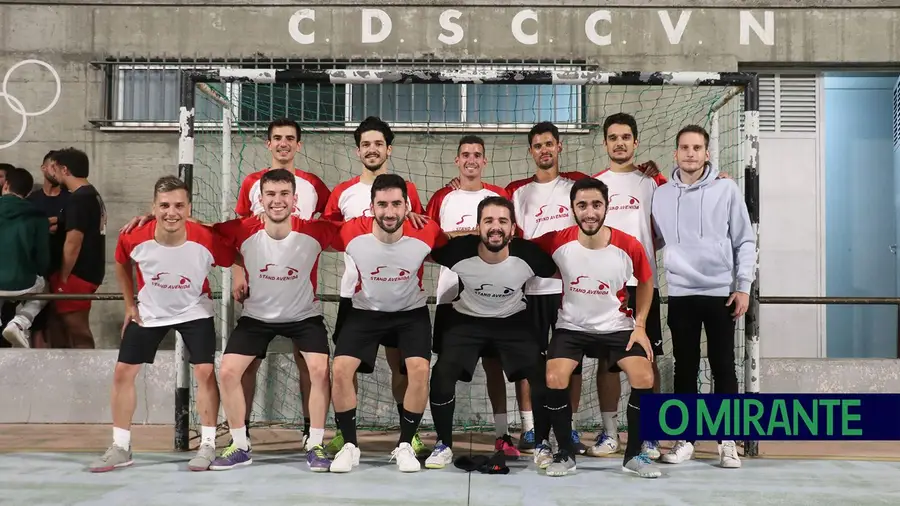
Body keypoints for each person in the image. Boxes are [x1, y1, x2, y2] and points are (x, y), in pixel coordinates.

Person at [89, 176, 232, 473]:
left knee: (205, 371)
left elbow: (235, 254)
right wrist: (130, 304)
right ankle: (120, 446)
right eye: (164, 205)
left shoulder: (206, 239)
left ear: (188, 208)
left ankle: (207, 444)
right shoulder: (134, 236)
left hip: (194, 311)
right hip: (150, 313)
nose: (172, 212)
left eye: (179, 206)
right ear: (153, 207)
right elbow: (120, 261)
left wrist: (241, 274)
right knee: (122, 373)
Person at [206, 169, 337, 472]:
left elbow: (364, 229)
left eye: (283, 194)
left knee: (319, 369)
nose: (277, 201)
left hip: (304, 316)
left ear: (295, 198)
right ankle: (240, 445)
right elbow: (202, 230)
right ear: (260, 199)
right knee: (227, 371)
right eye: (271, 195)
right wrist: (154, 219)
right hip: (257, 317)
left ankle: (315, 443)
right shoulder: (241, 229)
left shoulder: (314, 230)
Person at [531, 177, 660, 479]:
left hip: (616, 327)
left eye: (596, 205)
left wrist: (639, 325)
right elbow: (519, 247)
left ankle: (634, 455)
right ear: (572, 209)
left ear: (606, 207)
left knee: (644, 375)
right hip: (572, 327)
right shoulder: (556, 240)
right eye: (582, 205)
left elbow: (646, 281)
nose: (590, 212)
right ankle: (564, 453)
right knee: (553, 375)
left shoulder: (628, 244)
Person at [321, 116, 430, 458]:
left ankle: (407, 436)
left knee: (404, 367)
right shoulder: (343, 191)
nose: (372, 149)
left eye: (378, 143)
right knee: (345, 367)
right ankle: (345, 434)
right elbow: (325, 232)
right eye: (366, 144)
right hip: (356, 295)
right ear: (358, 151)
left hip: (402, 298)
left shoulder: (406, 189)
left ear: (388, 149)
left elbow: (421, 231)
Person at [424, 196, 557, 469]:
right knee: (441, 374)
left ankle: (542, 442)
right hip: (467, 319)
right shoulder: (458, 251)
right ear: (478, 227)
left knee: (541, 373)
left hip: (512, 319)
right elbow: (423, 247)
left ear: (512, 229)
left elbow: (562, 268)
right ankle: (444, 444)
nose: (495, 227)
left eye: (502, 221)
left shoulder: (529, 256)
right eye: (488, 221)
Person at [651, 125, 756, 469]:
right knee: (685, 367)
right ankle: (686, 439)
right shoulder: (662, 195)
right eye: (685, 147)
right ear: (675, 153)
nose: (691, 153)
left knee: (723, 365)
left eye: (697, 147)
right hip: (681, 294)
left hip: (720, 293)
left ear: (707, 153)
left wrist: (743, 286)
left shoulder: (726, 189)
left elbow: (745, 240)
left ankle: (727, 441)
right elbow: (653, 239)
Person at [327, 173, 446, 474]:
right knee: (340, 369)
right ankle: (350, 446)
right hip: (365, 311)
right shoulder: (351, 232)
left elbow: (453, 249)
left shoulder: (427, 231)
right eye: (382, 205)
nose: (389, 212)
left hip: (410, 313)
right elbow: (310, 236)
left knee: (419, 369)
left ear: (407, 206)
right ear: (371, 207)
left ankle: (405, 444)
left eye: (396, 204)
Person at [231, 118, 330, 448]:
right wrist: (238, 273)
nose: (283, 143)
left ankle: (309, 430)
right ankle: (240, 430)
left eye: (290, 138)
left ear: (298, 145)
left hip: (301, 292)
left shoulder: (314, 184)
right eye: (277, 138)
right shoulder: (251, 183)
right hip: (259, 293)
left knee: (309, 362)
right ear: (268, 143)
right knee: (247, 364)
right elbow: (237, 232)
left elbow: (330, 225)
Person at [425, 135, 522, 456]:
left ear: (485, 161)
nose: (470, 160)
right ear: (457, 160)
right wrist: (470, 235)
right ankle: (443, 441)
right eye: (465, 154)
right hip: (451, 297)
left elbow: (510, 240)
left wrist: (459, 236)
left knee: (495, 367)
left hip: (494, 298)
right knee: (446, 370)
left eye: (477, 155)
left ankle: (502, 435)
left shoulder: (498, 196)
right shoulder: (443, 197)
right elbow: (430, 244)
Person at [505, 121, 590, 455]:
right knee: (530, 363)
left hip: (570, 290)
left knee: (573, 362)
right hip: (530, 291)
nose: (544, 150)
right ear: (531, 151)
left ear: (559, 147)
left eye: (549, 144)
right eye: (537, 145)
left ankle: (568, 430)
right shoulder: (517, 192)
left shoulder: (577, 186)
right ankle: (529, 429)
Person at [589, 113, 666, 459]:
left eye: (625, 137)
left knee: (648, 361)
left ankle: (648, 433)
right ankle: (609, 433)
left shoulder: (652, 182)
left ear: (635, 142)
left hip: (643, 287)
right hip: (604, 290)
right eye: (613, 137)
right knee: (608, 363)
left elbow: (663, 232)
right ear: (605, 143)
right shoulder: (594, 186)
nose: (619, 143)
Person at [45, 148, 107, 348]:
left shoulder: (79, 200)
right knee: (59, 324)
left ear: (64, 169)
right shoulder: (90, 194)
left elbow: (73, 241)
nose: (52, 173)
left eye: (54, 168)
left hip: (77, 273)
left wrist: (63, 277)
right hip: (85, 271)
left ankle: (89, 373)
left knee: (76, 327)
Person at [0, 167, 50, 348]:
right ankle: (19, 322)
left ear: (6, 185)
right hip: (22, 283)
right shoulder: (38, 216)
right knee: (45, 290)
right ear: (28, 192)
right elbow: (43, 259)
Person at [26, 151, 70, 348]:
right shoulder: (32, 199)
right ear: (43, 168)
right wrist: (46, 224)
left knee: (62, 318)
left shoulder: (70, 198)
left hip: (64, 266)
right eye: (52, 166)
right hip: (37, 267)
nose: (55, 171)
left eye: (58, 167)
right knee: (37, 320)